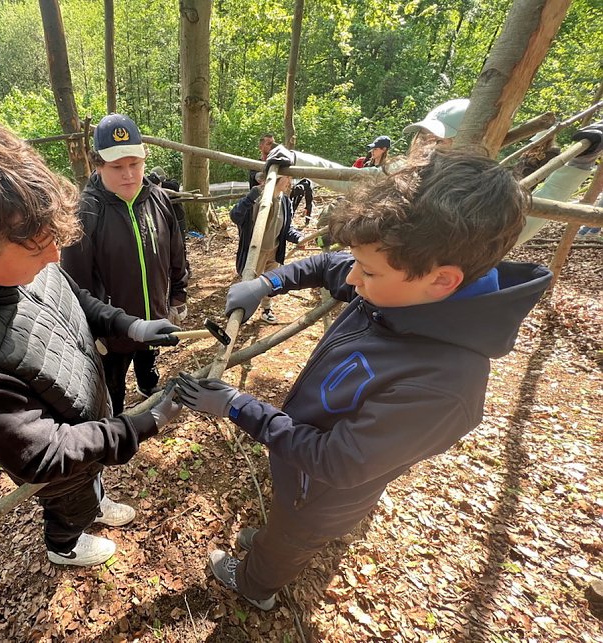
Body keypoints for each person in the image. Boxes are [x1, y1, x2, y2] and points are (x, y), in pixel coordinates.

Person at [174, 150, 553, 611]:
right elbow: (325, 265)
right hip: (301, 469)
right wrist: (267, 285)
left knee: (294, 534)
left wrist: (239, 407)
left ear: (442, 281)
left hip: (325, 491)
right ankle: (277, 539)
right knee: (286, 522)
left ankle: (257, 582)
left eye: (368, 272)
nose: (352, 278)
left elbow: (338, 462)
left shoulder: (443, 388)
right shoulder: (400, 284)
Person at [0, 119, 183, 567]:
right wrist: (148, 421)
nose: (55, 258)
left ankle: (95, 504)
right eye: (39, 250)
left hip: (86, 415)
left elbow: (71, 296)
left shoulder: (15, 246)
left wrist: (129, 326)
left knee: (90, 479)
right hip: (63, 459)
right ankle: (65, 544)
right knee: (69, 497)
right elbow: (45, 455)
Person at [265, 102, 603, 246]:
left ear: (469, 143)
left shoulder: (480, 195)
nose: (425, 143)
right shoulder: (404, 171)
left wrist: (578, 165)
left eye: (437, 138)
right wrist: (293, 156)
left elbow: (532, 217)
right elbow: (345, 176)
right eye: (422, 135)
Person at [61, 114, 189, 413]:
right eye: (117, 166)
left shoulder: (158, 199)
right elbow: (75, 283)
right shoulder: (86, 212)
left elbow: (176, 253)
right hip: (112, 331)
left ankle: (147, 384)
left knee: (148, 356)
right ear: (98, 164)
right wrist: (92, 330)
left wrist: (178, 296)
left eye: (135, 164)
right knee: (112, 385)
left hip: (153, 314)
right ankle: (115, 420)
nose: (128, 174)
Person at [229, 174, 304, 323]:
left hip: (274, 250)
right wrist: (250, 197)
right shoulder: (256, 199)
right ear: (276, 178)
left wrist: (298, 237)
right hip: (255, 252)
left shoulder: (285, 201)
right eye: (287, 178)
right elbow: (235, 216)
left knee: (270, 282)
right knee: (249, 285)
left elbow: (288, 228)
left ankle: (266, 309)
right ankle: (239, 312)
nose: (289, 182)